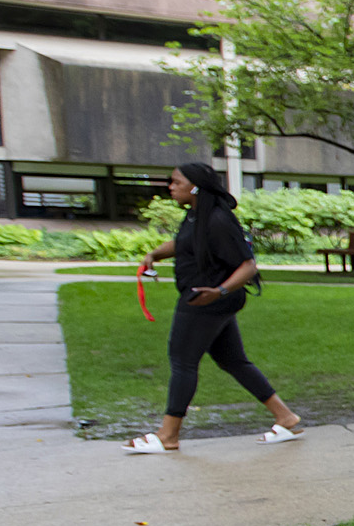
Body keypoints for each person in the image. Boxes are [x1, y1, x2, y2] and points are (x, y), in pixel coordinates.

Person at [126, 161, 305, 453]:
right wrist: (154, 254)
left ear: (195, 187)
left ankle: (168, 435)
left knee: (182, 360)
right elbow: (185, 242)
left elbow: (248, 266)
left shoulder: (218, 220)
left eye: (176, 182)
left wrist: (219, 291)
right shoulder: (197, 215)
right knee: (233, 360)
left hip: (205, 298)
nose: (171, 187)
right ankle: (285, 417)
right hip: (210, 298)